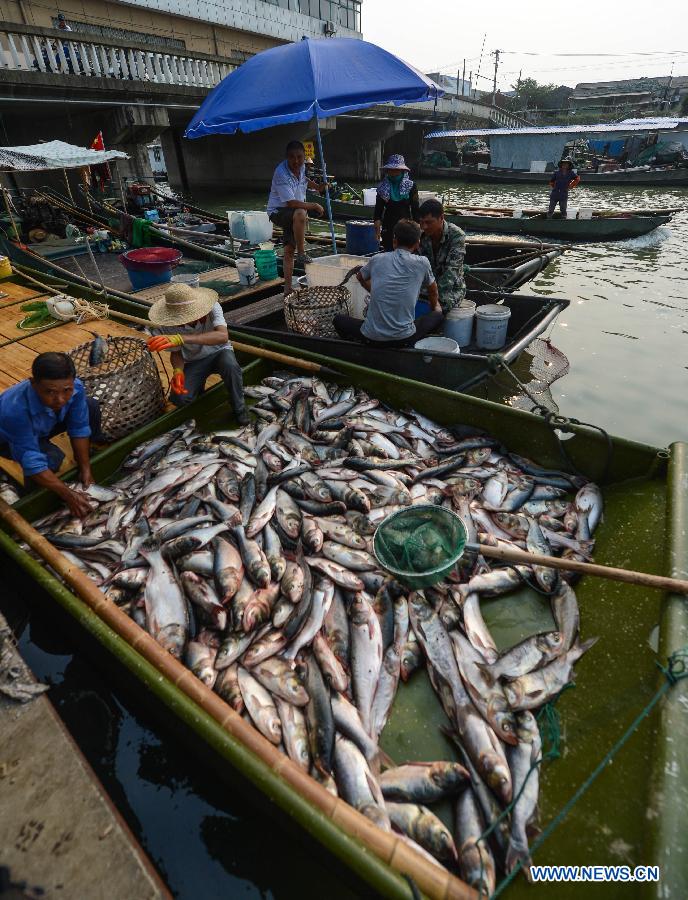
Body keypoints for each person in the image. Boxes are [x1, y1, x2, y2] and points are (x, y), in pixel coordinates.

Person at [0, 352, 102, 518]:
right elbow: (31, 458)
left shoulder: (75, 387)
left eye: (66, 390)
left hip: (45, 423)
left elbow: (80, 427)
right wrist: (68, 494)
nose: (60, 399)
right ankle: (32, 494)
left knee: (91, 406)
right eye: (50, 392)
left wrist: (86, 468)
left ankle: (88, 454)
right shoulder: (13, 410)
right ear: (33, 383)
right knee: (51, 458)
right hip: (10, 438)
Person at [146, 283, 248, 425]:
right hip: (193, 360)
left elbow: (222, 336)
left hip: (220, 352)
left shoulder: (213, 308)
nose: (181, 322)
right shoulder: (167, 324)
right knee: (179, 398)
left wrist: (183, 338)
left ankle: (239, 408)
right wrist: (178, 371)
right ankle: (200, 392)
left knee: (231, 366)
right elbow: (176, 353)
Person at [334, 219, 442, 348]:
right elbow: (433, 291)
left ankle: (356, 346)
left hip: (370, 336)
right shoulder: (423, 263)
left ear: (394, 241)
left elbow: (360, 276)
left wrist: (374, 292)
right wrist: (435, 308)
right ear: (418, 243)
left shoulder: (377, 259)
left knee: (338, 320)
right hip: (405, 338)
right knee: (438, 315)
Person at [267, 140, 326, 295]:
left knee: (288, 250)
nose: (296, 161)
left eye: (299, 157)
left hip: (291, 214)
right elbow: (291, 203)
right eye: (292, 157)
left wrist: (317, 187)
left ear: (303, 156)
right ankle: (302, 252)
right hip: (278, 211)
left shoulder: (302, 166)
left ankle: (287, 289)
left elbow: (304, 180)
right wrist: (314, 205)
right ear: (287, 157)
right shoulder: (281, 173)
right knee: (301, 213)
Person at [418, 198, 466, 314]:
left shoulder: (456, 236)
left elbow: (452, 271)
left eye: (429, 222)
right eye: (421, 222)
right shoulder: (420, 234)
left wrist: (434, 296)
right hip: (425, 286)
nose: (424, 227)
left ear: (441, 218)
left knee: (441, 306)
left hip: (450, 287)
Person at [374, 155, 420, 251]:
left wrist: (418, 232)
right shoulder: (382, 188)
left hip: (406, 227)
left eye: (396, 170)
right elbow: (378, 212)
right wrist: (377, 232)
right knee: (389, 253)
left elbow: (415, 210)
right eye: (391, 170)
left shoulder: (411, 186)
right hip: (388, 226)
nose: (393, 173)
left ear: (403, 171)